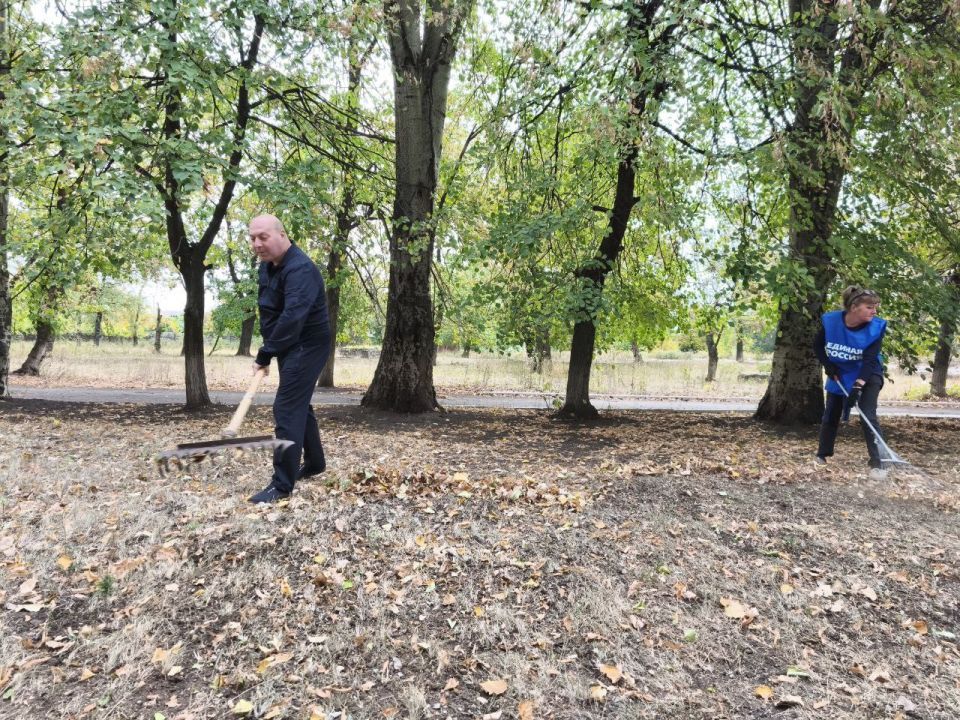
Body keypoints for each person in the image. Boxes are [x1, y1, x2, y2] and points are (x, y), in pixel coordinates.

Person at [247, 214, 331, 503]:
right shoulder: (268, 267)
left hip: (307, 345)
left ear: (282, 235)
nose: (257, 243)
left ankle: (282, 486)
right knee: (297, 405)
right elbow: (270, 312)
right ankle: (316, 462)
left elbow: (292, 317)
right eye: (252, 238)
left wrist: (264, 352)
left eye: (263, 237)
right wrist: (272, 350)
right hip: (288, 345)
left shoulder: (301, 270)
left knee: (286, 408)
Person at [813, 285, 888, 479]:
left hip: (868, 373)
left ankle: (878, 462)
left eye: (875, 306)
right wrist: (827, 364)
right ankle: (822, 454)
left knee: (867, 414)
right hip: (840, 372)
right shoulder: (831, 321)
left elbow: (870, 360)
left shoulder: (876, 328)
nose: (875, 311)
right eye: (870, 307)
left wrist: (858, 385)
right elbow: (818, 345)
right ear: (854, 307)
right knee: (831, 413)